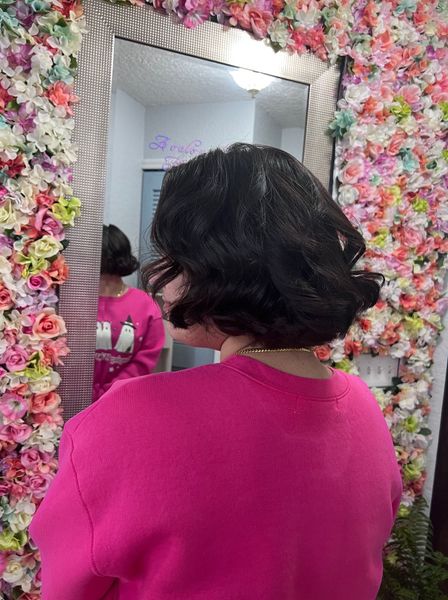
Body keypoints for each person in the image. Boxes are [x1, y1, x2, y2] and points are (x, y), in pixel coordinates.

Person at [30, 144, 402, 600]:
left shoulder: (134, 417)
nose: (158, 275)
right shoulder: (364, 408)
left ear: (218, 265)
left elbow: (68, 587)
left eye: (171, 255)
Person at [93, 224, 164, 401]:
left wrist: (111, 392)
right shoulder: (74, 302)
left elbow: (146, 358)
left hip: (123, 398)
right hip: (71, 395)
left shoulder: (145, 305)